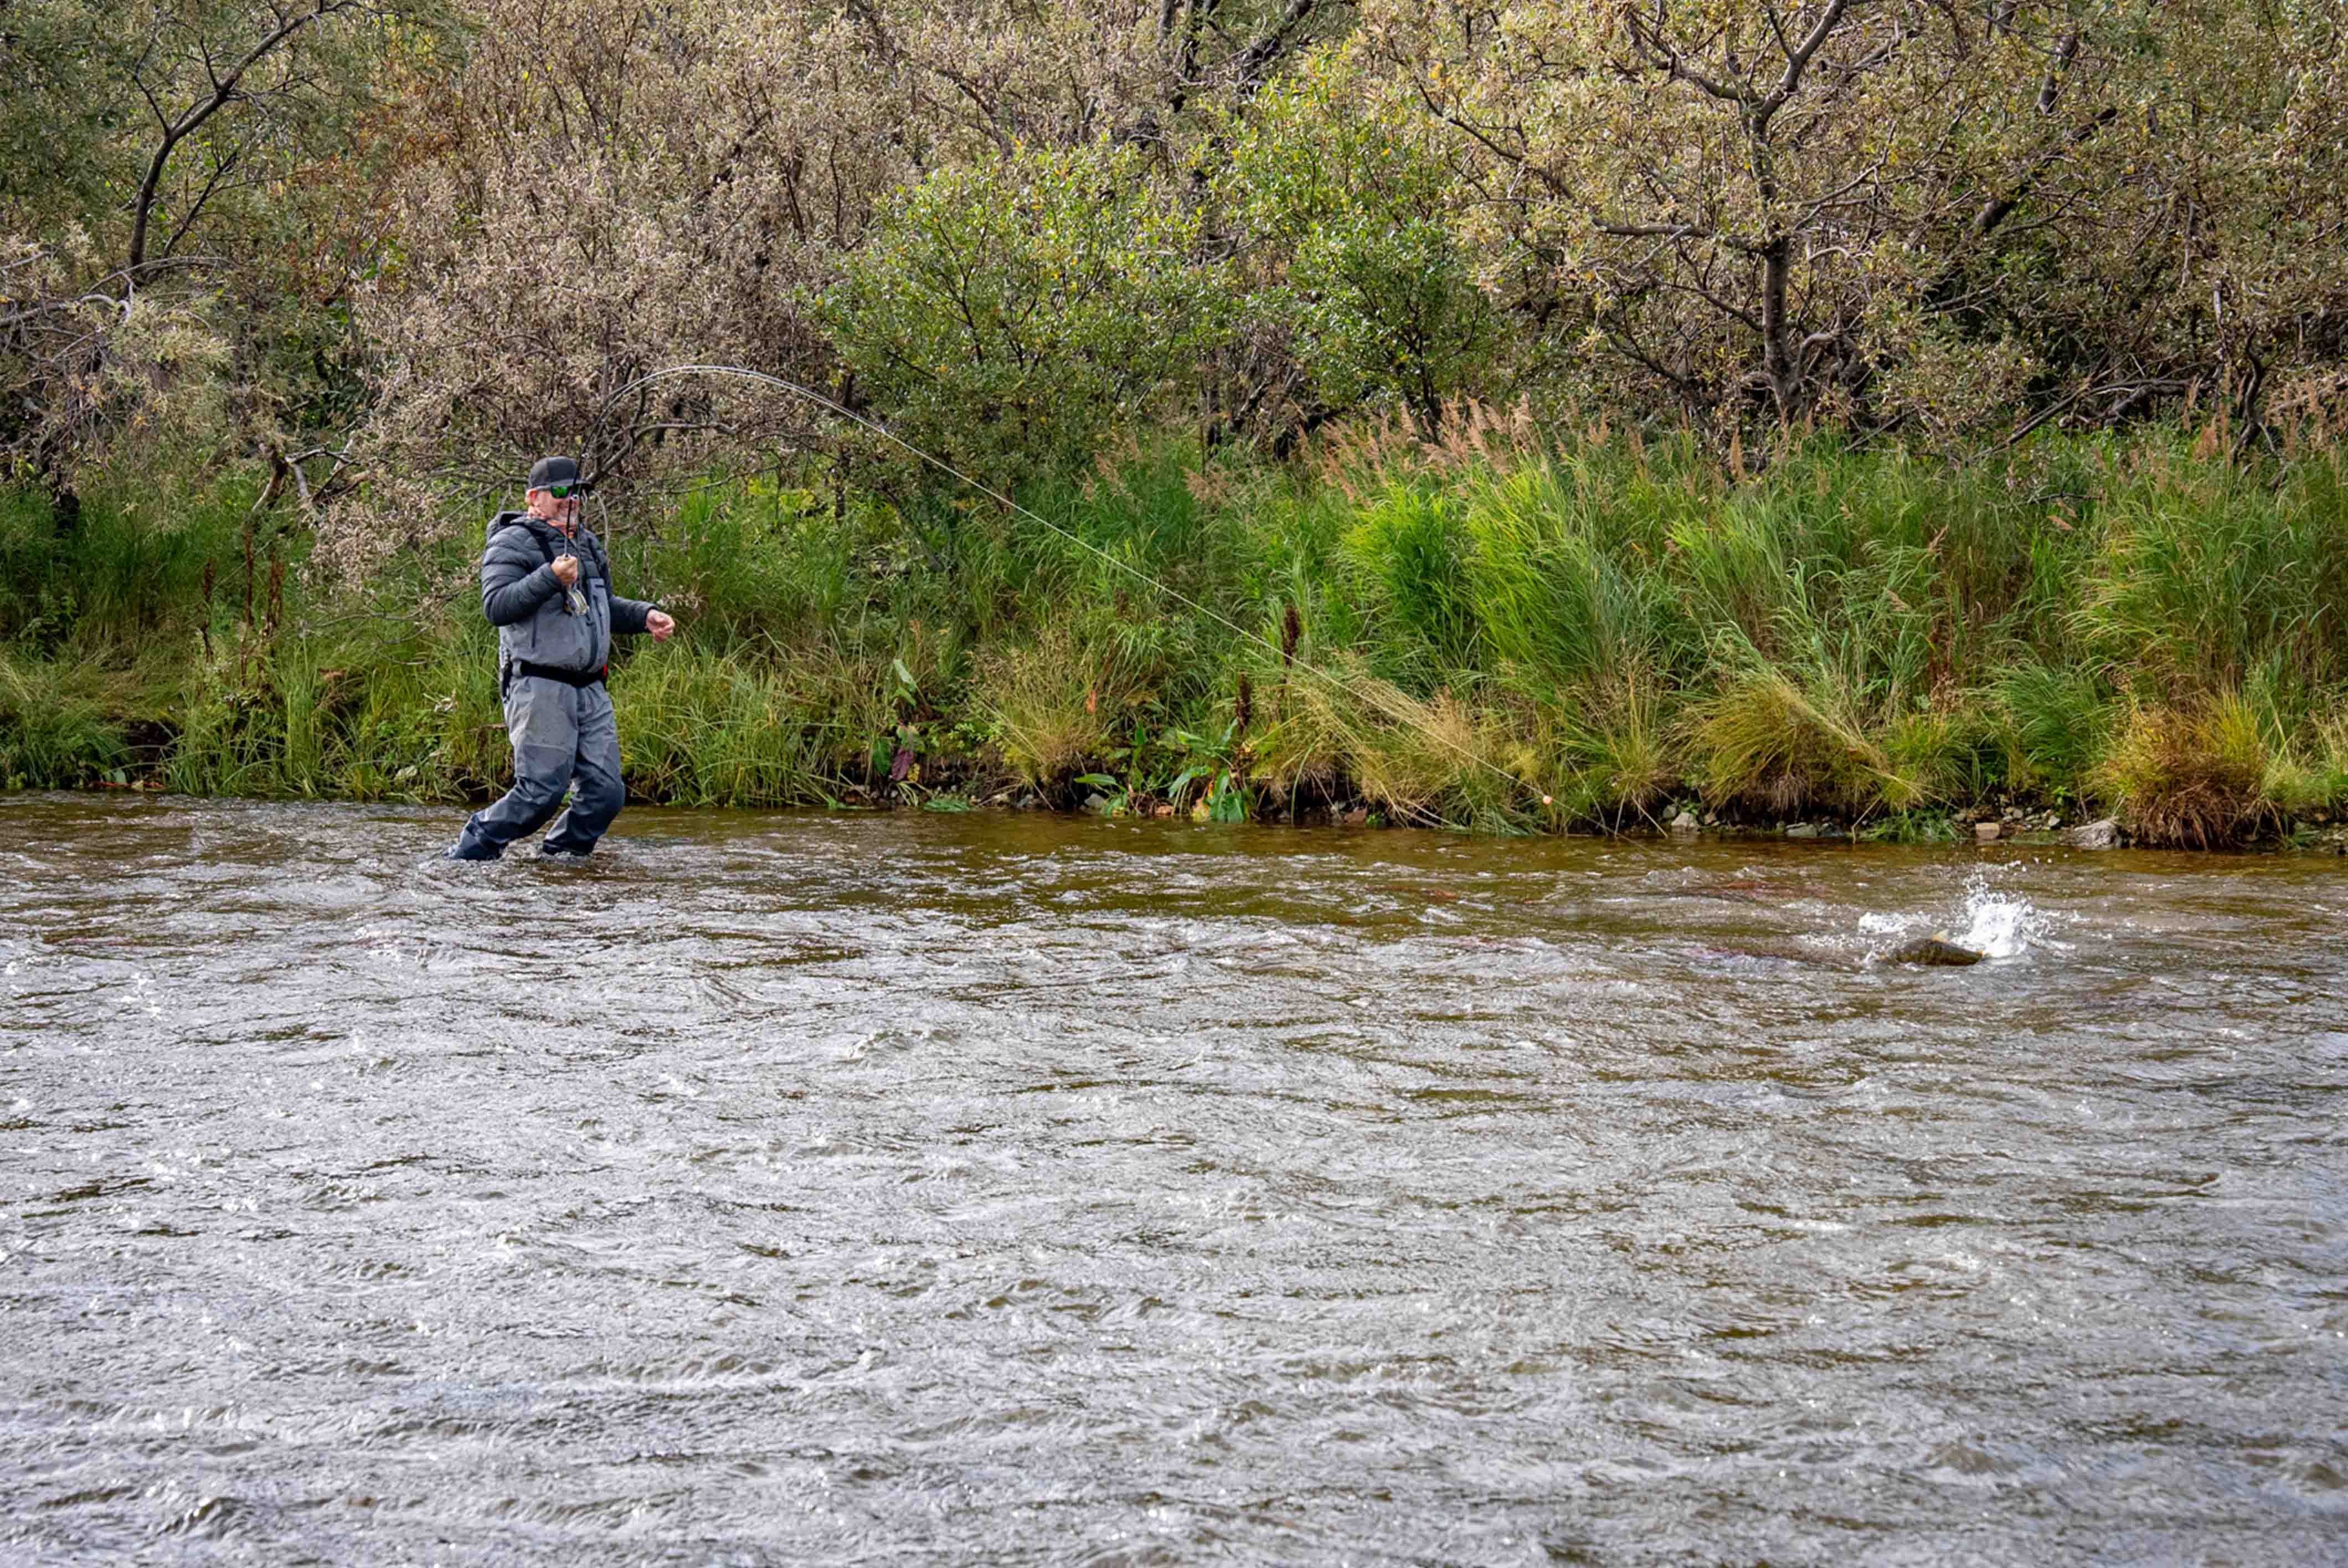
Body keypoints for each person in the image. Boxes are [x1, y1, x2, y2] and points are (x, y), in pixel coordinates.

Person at [444, 456, 677, 860]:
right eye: (563, 491)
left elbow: (601, 606)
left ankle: (561, 862)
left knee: (606, 794)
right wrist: (550, 577)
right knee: (541, 793)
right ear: (534, 498)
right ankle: (469, 851)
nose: (573, 499)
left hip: (591, 688)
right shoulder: (510, 542)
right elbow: (496, 606)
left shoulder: (587, 543)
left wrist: (644, 616)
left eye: (579, 492)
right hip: (538, 685)